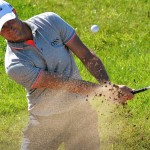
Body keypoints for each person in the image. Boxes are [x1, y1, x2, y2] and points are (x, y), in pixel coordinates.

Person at [0, 1, 134, 149]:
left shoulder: (50, 21)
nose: (9, 28)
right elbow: (65, 85)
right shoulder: (14, 65)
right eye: (2, 27)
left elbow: (86, 55)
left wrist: (109, 87)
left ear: (15, 11)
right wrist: (110, 92)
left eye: (9, 21)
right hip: (44, 122)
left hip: (81, 115)